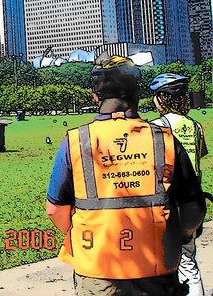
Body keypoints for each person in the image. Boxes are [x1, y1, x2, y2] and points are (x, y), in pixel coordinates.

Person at [46, 56, 206, 295]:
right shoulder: (165, 140)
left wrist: (84, 235)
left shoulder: (76, 142)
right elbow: (193, 210)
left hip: (98, 269)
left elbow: (55, 210)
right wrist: (179, 236)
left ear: (95, 95)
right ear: (137, 94)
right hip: (157, 268)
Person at [150, 73, 209, 296]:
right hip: (191, 204)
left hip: (166, 204)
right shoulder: (195, 127)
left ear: (162, 98)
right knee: (188, 262)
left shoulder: (156, 127)